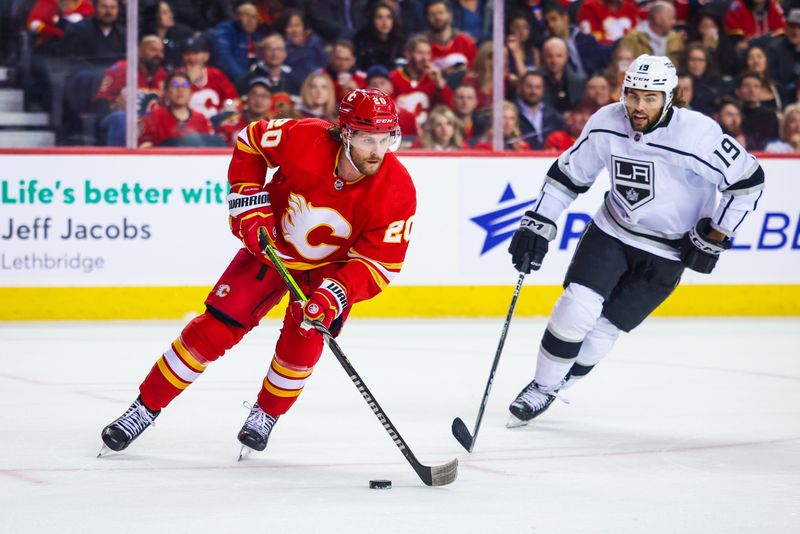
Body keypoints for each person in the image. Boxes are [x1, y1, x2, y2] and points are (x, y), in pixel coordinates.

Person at [99, 88, 416, 457]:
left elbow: (379, 263)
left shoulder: (398, 190)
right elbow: (250, 142)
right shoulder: (304, 137)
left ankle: (266, 413)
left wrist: (337, 293)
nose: (378, 151)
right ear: (345, 133)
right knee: (212, 329)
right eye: (367, 139)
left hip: (327, 272)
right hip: (270, 250)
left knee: (302, 346)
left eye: (385, 139)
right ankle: (143, 408)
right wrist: (249, 203)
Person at [504, 54, 764, 427]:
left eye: (650, 98)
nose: (638, 107)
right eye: (632, 95)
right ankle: (541, 388)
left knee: (602, 334)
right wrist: (538, 222)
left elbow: (749, 182)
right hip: (613, 231)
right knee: (575, 307)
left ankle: (559, 383)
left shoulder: (698, 135)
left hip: (668, 249)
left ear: (669, 98)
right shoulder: (606, 122)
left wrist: (716, 234)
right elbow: (569, 176)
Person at [137, 71, 215, 147]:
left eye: (185, 85)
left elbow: (210, 147)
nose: (180, 90)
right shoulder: (154, 117)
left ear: (191, 92)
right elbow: (144, 148)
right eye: (175, 85)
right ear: (166, 92)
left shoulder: (201, 119)